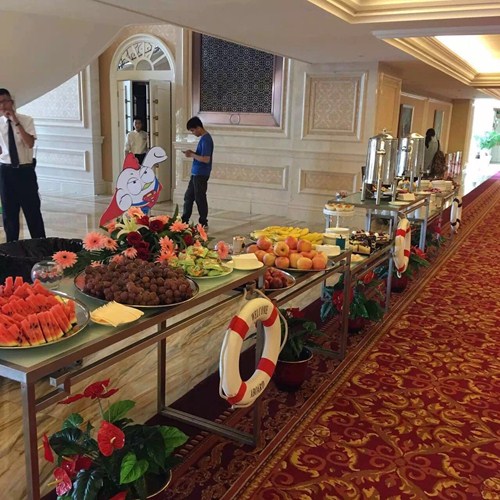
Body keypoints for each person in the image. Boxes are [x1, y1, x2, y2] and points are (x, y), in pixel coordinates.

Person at [0, 88, 46, 242]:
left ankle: (41, 248)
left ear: (11, 102)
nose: (3, 106)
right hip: (5, 171)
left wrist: (16, 121)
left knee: (33, 212)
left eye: (5, 101)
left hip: (25, 171)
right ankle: (11, 249)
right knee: (9, 215)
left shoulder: (26, 120)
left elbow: (29, 143)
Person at [181, 117, 214, 229]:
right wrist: (192, 153)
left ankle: (203, 222)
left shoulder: (206, 139)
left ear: (198, 127)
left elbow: (206, 159)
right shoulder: (203, 139)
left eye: (193, 130)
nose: (193, 133)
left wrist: (191, 154)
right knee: (188, 197)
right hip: (196, 173)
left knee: (200, 198)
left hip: (201, 173)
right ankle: (184, 220)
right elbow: (201, 155)